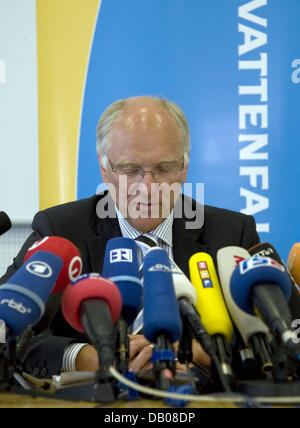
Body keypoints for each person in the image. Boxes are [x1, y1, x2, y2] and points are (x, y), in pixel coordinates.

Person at [0, 96, 260, 378]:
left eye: (163, 168)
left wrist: (198, 350)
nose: (147, 188)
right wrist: (82, 356)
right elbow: (9, 333)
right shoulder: (61, 229)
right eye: (129, 170)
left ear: (184, 167)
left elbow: (272, 344)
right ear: (104, 169)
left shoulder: (232, 233)